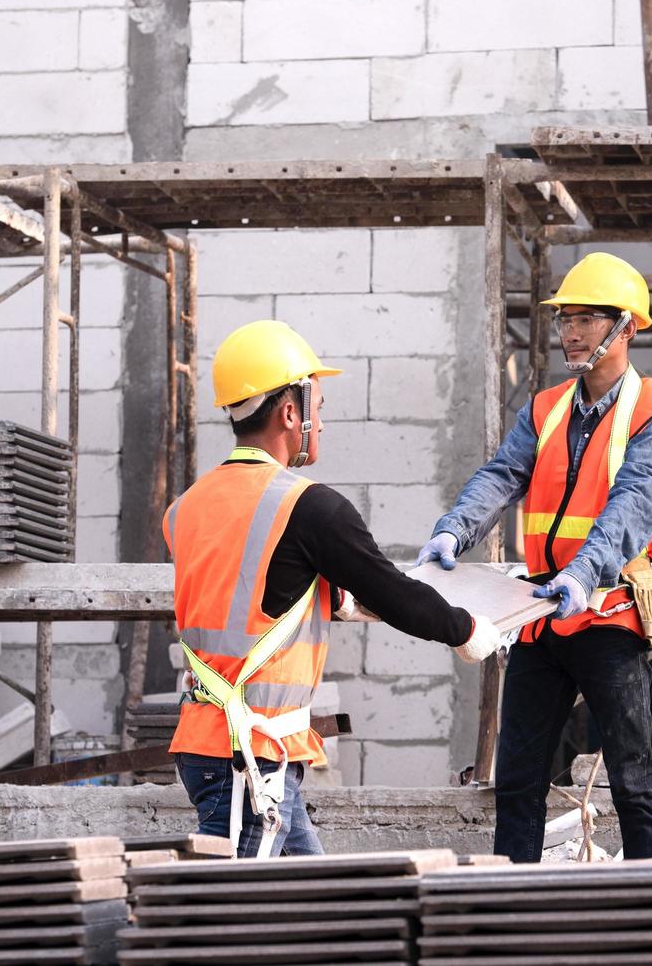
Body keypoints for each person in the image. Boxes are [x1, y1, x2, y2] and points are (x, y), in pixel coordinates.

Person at [165, 320, 500, 858]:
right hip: (249, 757)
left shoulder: (185, 507)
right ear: (290, 413)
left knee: (316, 901)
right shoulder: (311, 508)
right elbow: (392, 591)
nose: (321, 422)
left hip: (216, 743)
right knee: (230, 922)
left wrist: (326, 596)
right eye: (317, 408)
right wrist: (465, 629)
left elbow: (252, 589)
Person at [416, 252, 652, 863]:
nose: (570, 332)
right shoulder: (545, 409)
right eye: (564, 319)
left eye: (587, 319)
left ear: (626, 328)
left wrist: (584, 570)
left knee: (632, 777)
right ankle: (513, 906)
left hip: (606, 613)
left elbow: (634, 503)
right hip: (540, 616)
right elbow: (503, 473)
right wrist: (453, 531)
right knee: (517, 778)